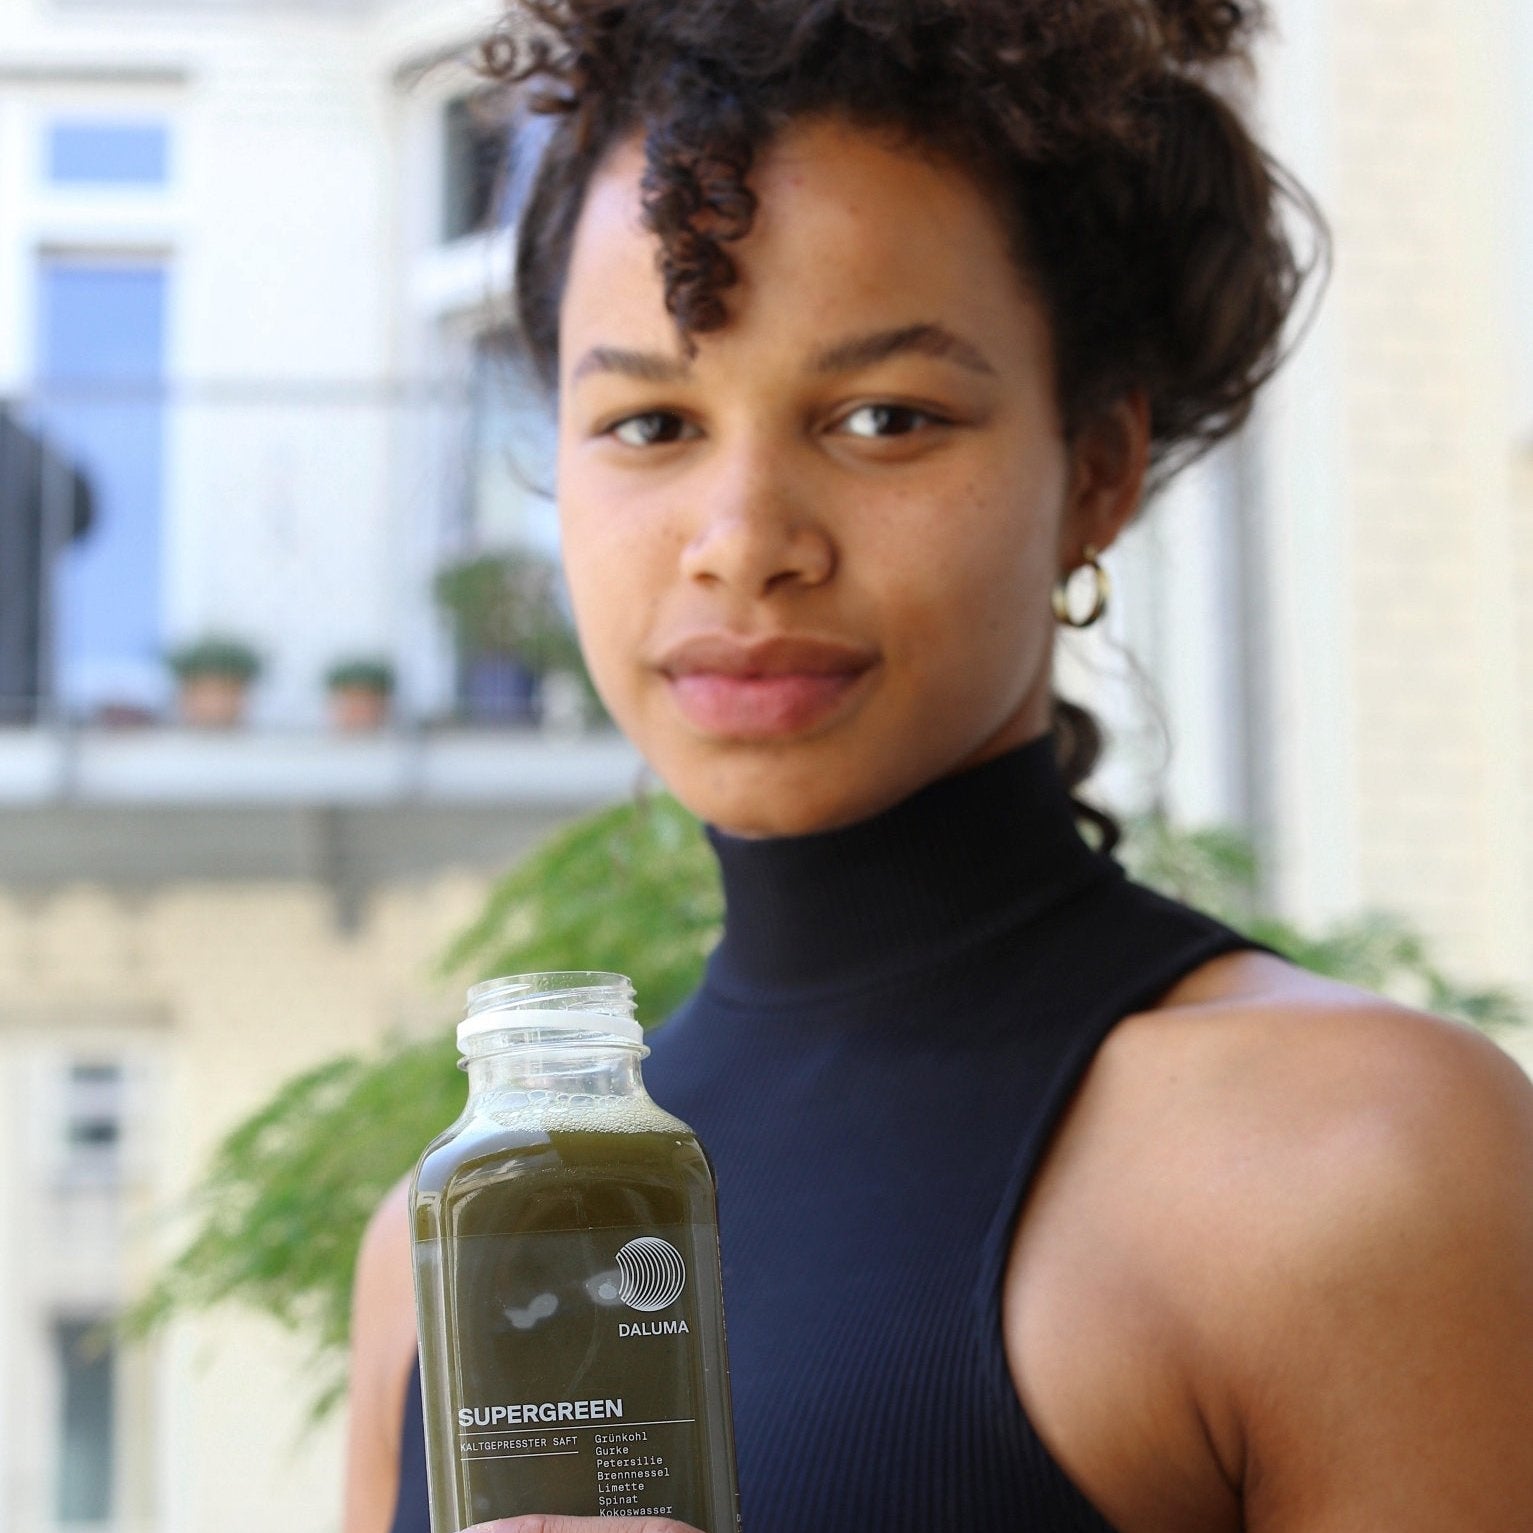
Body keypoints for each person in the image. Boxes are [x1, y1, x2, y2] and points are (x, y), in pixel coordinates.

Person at [344, 2, 1533, 1530]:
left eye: (883, 417)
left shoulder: (1354, 1161)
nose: (743, 543)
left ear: (1093, 468)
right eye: (648, 421)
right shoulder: (451, 1244)